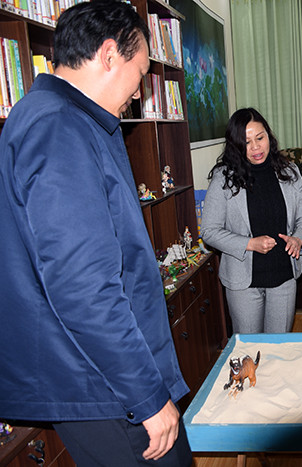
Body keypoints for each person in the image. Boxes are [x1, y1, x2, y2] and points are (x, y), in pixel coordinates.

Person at [0, 1, 192, 465]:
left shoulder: (58, 117)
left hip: (102, 376)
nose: (139, 92)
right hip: (105, 384)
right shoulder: (58, 127)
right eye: (140, 73)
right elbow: (83, 286)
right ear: (109, 55)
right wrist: (147, 397)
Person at [201, 108, 302, 334]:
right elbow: (209, 231)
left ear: (268, 137)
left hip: (283, 276)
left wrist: (298, 238)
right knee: (249, 349)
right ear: (236, 145)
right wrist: (249, 244)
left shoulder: (289, 171)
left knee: (278, 348)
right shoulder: (224, 178)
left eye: (260, 138)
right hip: (243, 282)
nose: (255, 147)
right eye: (246, 142)